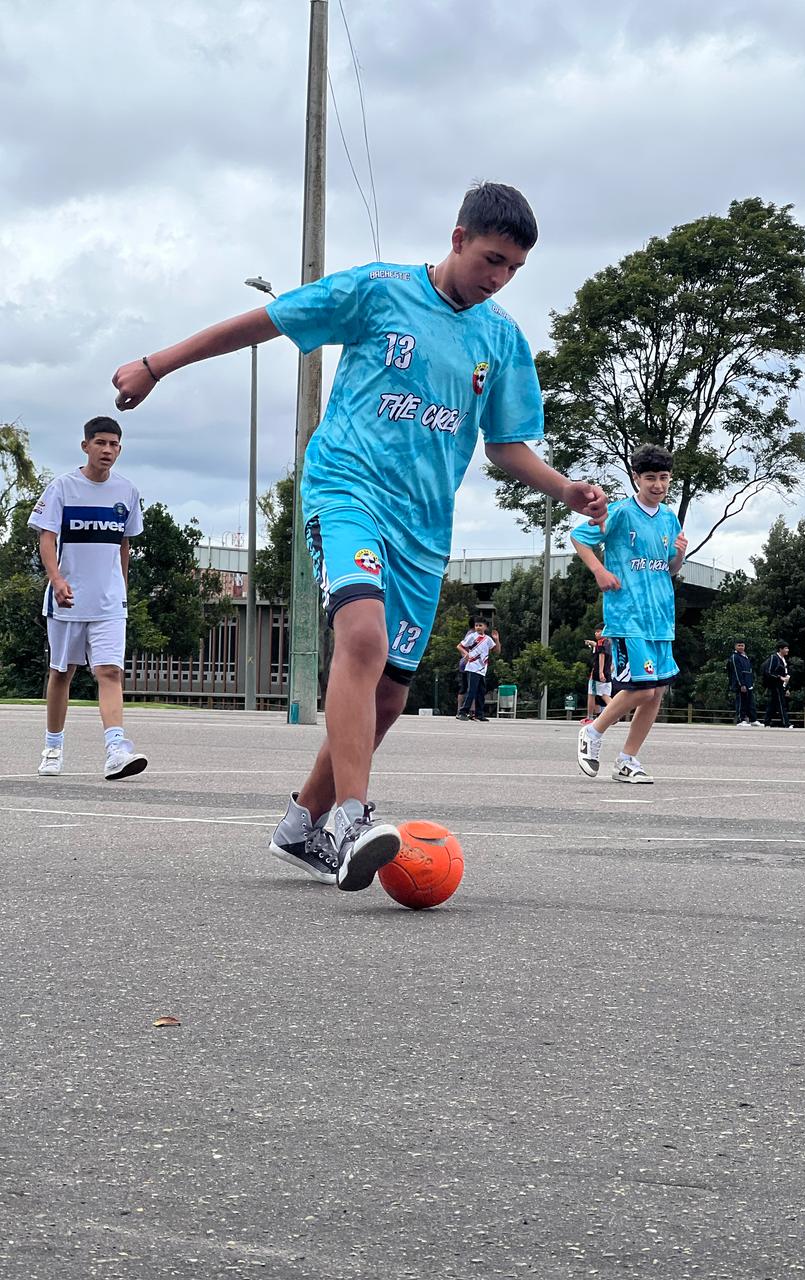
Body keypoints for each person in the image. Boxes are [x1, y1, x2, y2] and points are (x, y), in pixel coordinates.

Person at [112, 181, 608, 890]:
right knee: (363, 641)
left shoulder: (501, 339)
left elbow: (506, 444)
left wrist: (565, 488)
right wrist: (158, 364)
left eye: (513, 271)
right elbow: (268, 321)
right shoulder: (379, 291)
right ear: (459, 237)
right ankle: (350, 817)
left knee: (389, 697)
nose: (497, 279)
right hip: (346, 490)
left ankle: (299, 828)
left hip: (423, 528)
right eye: (491, 260)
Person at [28, 417, 148, 781]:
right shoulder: (63, 488)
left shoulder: (127, 492)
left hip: (110, 604)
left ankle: (115, 749)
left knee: (110, 671)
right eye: (100, 443)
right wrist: (57, 579)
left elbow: (124, 544)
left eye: (113, 444)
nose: (107, 450)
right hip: (67, 601)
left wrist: (122, 587)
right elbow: (46, 538)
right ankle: (53, 747)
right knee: (62, 673)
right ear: (86, 446)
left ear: (120, 449)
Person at [572, 444, 687, 783]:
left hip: (661, 618)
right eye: (650, 478)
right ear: (637, 478)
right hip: (628, 615)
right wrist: (599, 571)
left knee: (657, 692)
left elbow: (668, 569)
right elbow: (579, 537)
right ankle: (593, 731)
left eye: (664, 478)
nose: (658, 485)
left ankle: (627, 760)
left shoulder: (668, 517)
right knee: (641, 688)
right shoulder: (620, 512)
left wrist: (680, 556)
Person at [457, 620, 500, 721]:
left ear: (486, 627)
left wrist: (497, 640)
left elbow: (496, 651)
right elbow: (460, 646)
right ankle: (463, 712)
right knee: (471, 691)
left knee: (481, 692)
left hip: (482, 669)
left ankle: (479, 714)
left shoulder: (488, 639)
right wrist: (465, 653)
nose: (478, 627)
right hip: (472, 667)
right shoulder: (472, 636)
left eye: (480, 625)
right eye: (476, 625)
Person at [582, 626, 612, 723]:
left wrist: (600, 672)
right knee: (604, 695)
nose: (596, 633)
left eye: (598, 631)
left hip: (598, 673)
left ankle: (590, 717)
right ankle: (614, 714)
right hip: (608, 673)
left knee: (591, 693)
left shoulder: (601, 642)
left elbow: (601, 656)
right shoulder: (610, 643)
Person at [727, 641, 760, 727]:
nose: (741, 647)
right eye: (739, 645)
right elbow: (737, 672)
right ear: (735, 647)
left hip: (748, 683)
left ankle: (753, 719)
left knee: (750, 702)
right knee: (741, 702)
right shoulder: (735, 657)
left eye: (742, 645)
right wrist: (742, 684)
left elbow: (749, 671)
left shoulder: (745, 657)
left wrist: (751, 682)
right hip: (741, 684)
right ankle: (741, 720)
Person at [761, 642, 793, 728]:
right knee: (781, 704)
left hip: (781, 685)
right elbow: (769, 672)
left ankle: (766, 722)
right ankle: (786, 723)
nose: (787, 650)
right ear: (780, 649)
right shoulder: (774, 658)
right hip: (775, 684)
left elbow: (786, 675)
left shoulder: (784, 660)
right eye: (786, 648)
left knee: (773, 704)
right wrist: (779, 678)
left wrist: (787, 688)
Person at [455, 617, 479, 717]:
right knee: (466, 687)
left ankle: (471, 711)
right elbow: (461, 646)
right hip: (467, 664)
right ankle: (461, 709)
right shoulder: (471, 634)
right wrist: (466, 655)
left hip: (471, 664)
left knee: (470, 687)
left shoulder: (475, 634)